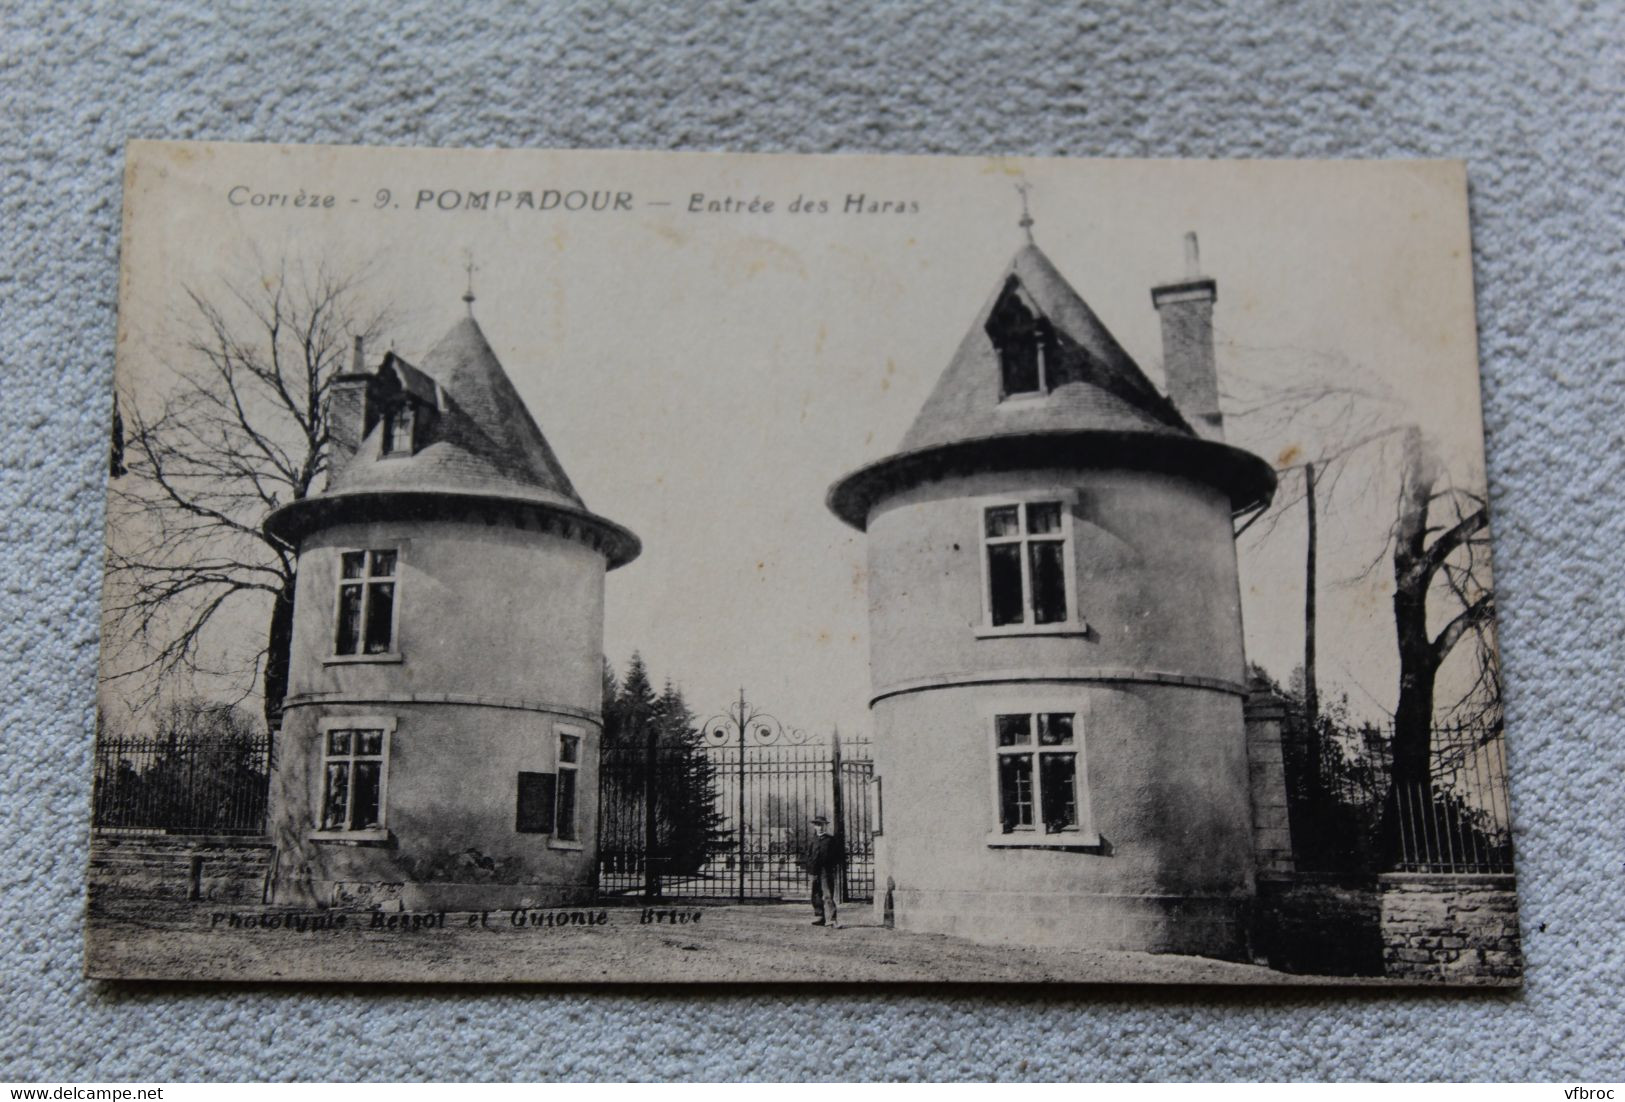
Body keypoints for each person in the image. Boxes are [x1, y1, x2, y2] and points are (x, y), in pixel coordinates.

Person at [804, 813, 842, 928]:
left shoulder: (830, 840)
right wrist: (810, 869)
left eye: (821, 825)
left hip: (826, 871)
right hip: (814, 871)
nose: (819, 827)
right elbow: (808, 855)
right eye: (817, 825)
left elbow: (837, 856)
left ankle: (832, 919)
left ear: (825, 826)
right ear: (815, 827)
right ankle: (820, 917)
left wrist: (832, 867)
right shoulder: (813, 840)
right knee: (815, 894)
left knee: (828, 895)